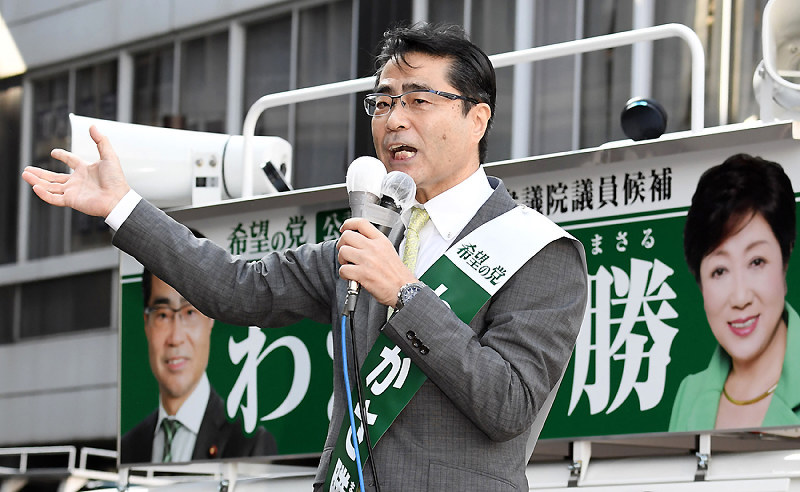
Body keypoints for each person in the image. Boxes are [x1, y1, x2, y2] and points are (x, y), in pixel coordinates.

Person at [22, 23, 587, 491]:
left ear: (477, 119)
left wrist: (404, 294)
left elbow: (508, 404)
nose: (394, 120)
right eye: (383, 102)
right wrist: (121, 206)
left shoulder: (536, 250)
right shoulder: (373, 234)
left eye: (418, 100)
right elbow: (236, 289)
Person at [670, 153, 800, 431]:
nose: (740, 298)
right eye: (719, 271)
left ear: (785, 259)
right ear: (700, 282)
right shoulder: (689, 396)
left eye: (757, 262)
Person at [121, 261, 278, 464]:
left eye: (190, 312)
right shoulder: (128, 448)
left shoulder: (249, 442)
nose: (176, 338)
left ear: (211, 317)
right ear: (146, 323)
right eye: (162, 315)